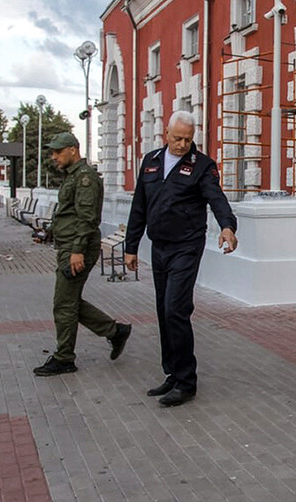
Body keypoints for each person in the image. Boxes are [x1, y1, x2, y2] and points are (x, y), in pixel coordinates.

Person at [124, 111, 238, 407]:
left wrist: (228, 226)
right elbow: (139, 207)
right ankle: (172, 373)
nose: (183, 144)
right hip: (159, 246)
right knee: (163, 309)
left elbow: (217, 199)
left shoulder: (202, 166)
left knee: (176, 308)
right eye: (177, 138)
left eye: (188, 139)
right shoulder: (150, 162)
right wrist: (131, 246)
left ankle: (187, 382)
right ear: (166, 133)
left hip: (186, 247)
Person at [33, 132, 132, 376]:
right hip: (69, 245)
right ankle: (114, 331)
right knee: (69, 301)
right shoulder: (72, 176)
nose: (53, 156)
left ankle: (64, 357)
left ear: (73, 150)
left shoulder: (85, 178)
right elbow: (70, 212)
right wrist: (51, 231)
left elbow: (87, 218)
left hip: (78, 249)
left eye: (58, 151)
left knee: (63, 304)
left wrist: (77, 251)